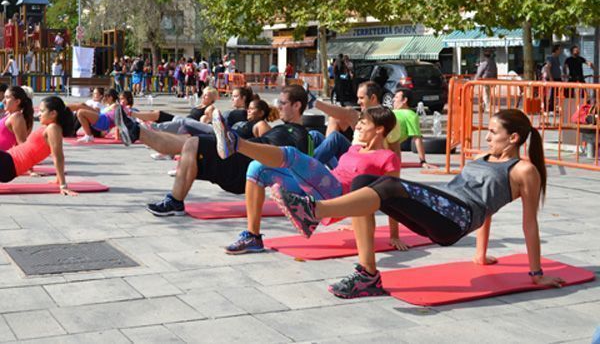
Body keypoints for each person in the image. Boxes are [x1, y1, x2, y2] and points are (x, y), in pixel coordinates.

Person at [272, 109, 565, 298]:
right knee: (365, 182)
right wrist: (481, 254)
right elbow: (490, 210)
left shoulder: (524, 170)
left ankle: (315, 211)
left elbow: (528, 222)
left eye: (493, 132)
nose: (486, 136)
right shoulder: (483, 158)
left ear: (513, 138)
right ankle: (367, 276)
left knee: (388, 185)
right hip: (442, 207)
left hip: (456, 218)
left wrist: (536, 274)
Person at [215, 106, 402, 255]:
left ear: (379, 129)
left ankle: (236, 143)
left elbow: (393, 196)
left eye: (364, 123)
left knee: (291, 154)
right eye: (359, 121)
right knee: (257, 168)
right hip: (319, 188)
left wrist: (394, 235)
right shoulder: (355, 149)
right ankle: (253, 237)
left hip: (335, 195)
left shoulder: (387, 157)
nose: (358, 126)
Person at [113, 85, 312, 215]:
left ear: (297, 106)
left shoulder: (300, 135)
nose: (278, 106)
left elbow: (291, 165)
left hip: (245, 168)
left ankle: (174, 201)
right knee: (188, 143)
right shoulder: (279, 127)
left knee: (192, 142)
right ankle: (135, 131)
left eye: (283, 103)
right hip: (237, 156)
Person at [0, 96, 77, 196]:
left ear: (53, 113)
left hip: (8, 165)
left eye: (42, 111)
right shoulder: (49, 127)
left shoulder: (53, 128)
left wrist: (63, 185)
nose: (38, 114)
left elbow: (58, 156)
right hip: (7, 161)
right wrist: (58, 179)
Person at [392, 89, 437, 169]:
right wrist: (423, 161)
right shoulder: (391, 112)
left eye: (396, 97)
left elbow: (417, 139)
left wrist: (423, 161)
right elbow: (417, 138)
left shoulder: (410, 115)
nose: (393, 99)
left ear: (404, 100)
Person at [0, 86, 34, 151]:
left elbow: (22, 144)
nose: (3, 101)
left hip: (5, 158)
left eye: (7, 97)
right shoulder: (9, 114)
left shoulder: (17, 117)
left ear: (17, 101)